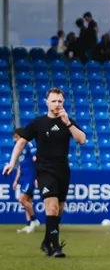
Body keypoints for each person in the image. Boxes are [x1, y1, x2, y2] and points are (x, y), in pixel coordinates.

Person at [2, 88, 86, 257]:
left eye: (60, 101)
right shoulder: (38, 123)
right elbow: (20, 143)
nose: (57, 104)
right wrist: (12, 163)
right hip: (44, 170)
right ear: (46, 102)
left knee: (58, 211)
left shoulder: (68, 122)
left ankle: (47, 241)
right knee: (52, 207)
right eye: (54, 101)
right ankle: (55, 247)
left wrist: (68, 122)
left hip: (63, 170)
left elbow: (81, 140)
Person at [10, 131, 39, 234]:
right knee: (27, 201)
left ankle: (34, 220)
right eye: (13, 138)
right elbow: (20, 166)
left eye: (16, 137)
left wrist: (37, 177)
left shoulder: (29, 145)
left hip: (29, 177)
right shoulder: (20, 149)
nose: (14, 140)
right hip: (22, 178)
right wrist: (16, 180)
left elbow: (36, 160)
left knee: (22, 199)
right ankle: (29, 225)